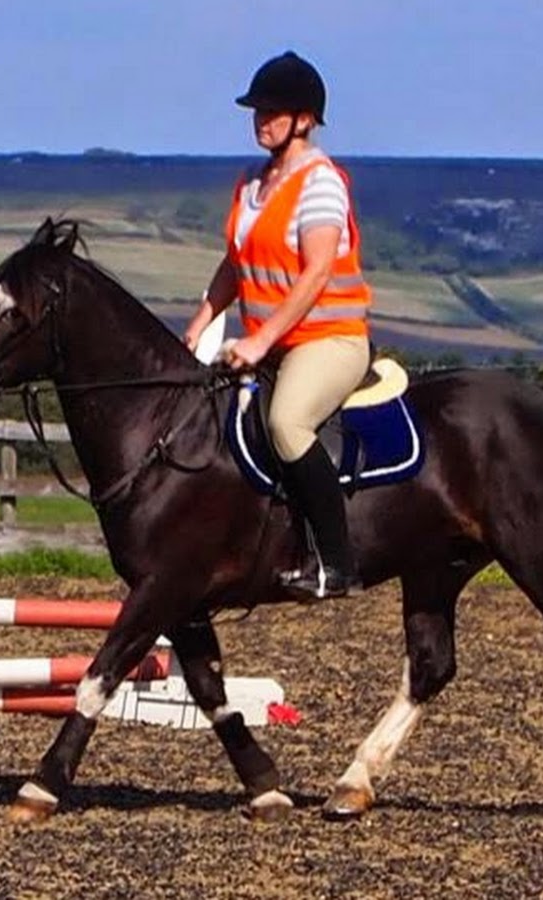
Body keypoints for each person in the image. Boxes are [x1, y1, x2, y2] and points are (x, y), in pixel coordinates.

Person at [184, 50, 372, 599]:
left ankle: (336, 563)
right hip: (268, 345)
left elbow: (317, 273)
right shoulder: (251, 184)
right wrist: (200, 323)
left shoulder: (321, 183)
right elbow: (235, 265)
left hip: (328, 340)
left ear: (305, 119)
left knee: (287, 423)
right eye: (257, 111)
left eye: (273, 112)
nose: (261, 120)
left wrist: (261, 338)